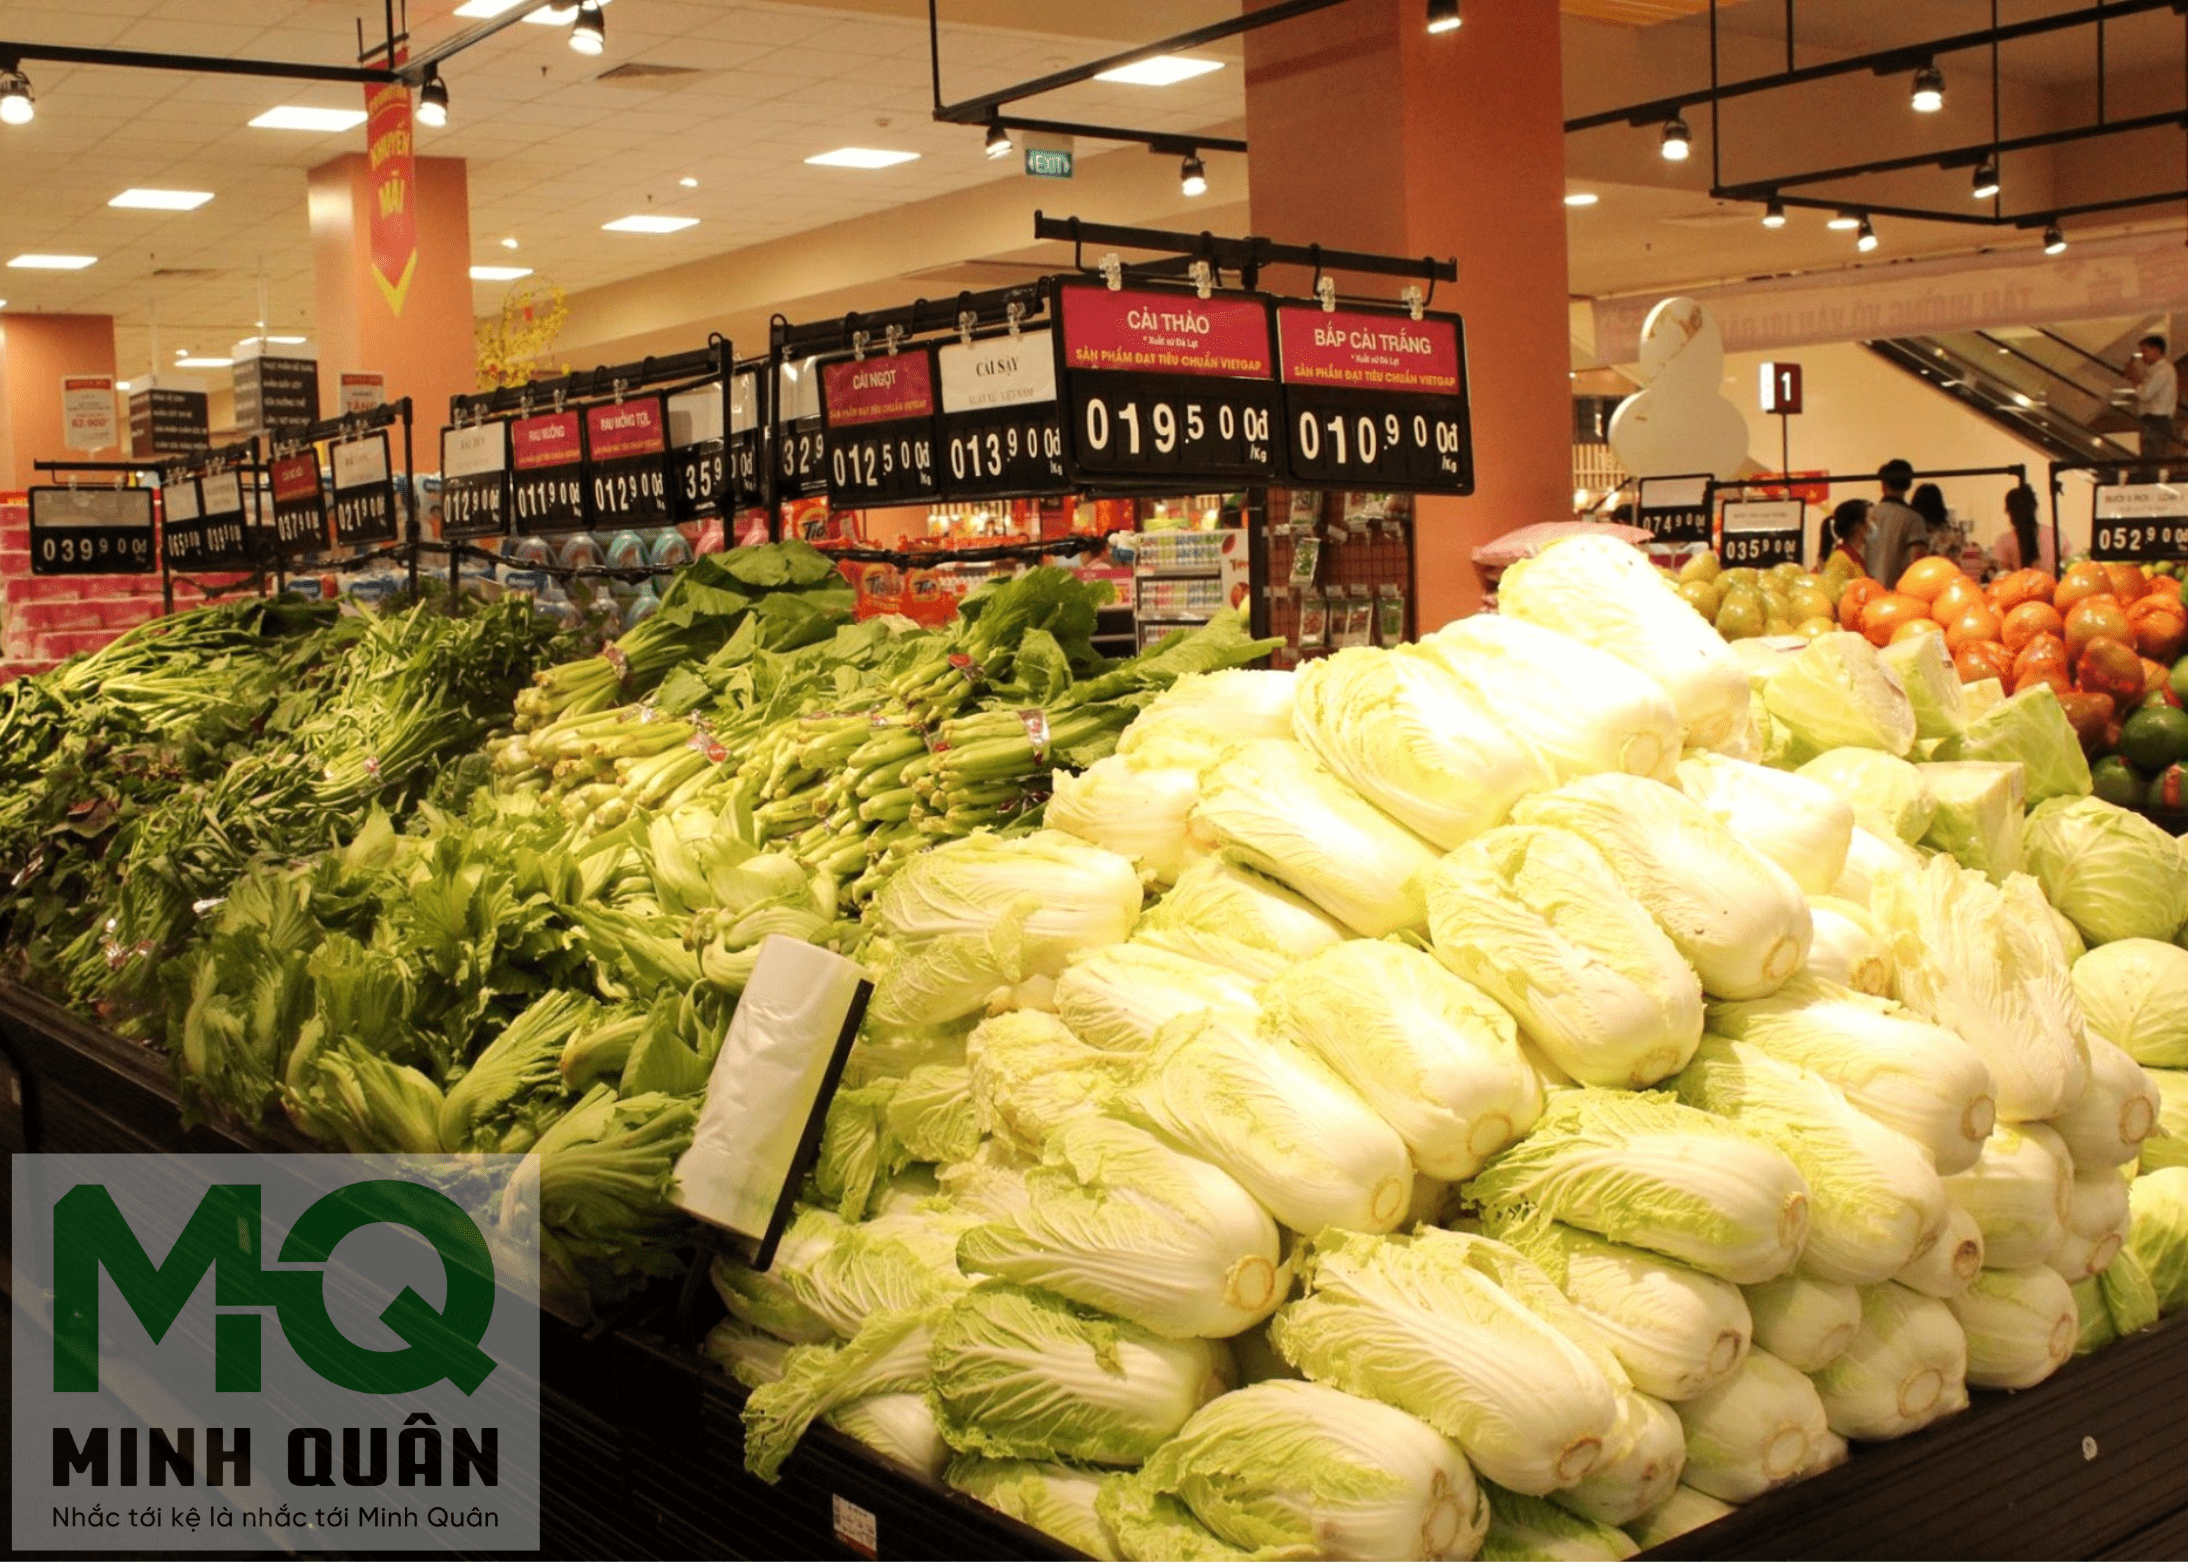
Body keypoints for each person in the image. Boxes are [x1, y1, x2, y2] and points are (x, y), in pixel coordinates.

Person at [1864, 458, 1929, 587]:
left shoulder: (1866, 515)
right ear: (1909, 485)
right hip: (1897, 592)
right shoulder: (1914, 519)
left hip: (1865, 589)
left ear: (1883, 485)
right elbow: (1917, 562)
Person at [2127, 334, 2178, 460]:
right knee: (2150, 457)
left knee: (2151, 458)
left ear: (2155, 350)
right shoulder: (2157, 370)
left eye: (2145, 351)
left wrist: (2135, 380)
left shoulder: (2162, 371)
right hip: (2155, 419)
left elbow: (2145, 394)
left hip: (2156, 419)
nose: (2143, 355)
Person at [1992, 483, 2055, 576]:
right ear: (2035, 508)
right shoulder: (2055, 536)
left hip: (2019, 585)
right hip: (2050, 584)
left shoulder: (2004, 541)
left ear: (2009, 512)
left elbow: (2003, 577)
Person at [1821, 498, 1872, 568]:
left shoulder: (1853, 556)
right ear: (1857, 525)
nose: (1871, 526)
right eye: (1869, 520)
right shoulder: (1841, 559)